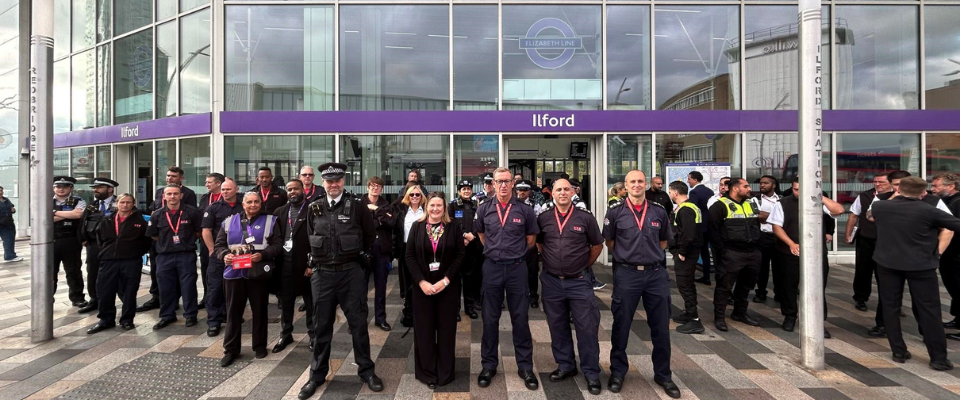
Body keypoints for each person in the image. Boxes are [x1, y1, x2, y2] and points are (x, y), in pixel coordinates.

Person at [300, 162, 383, 398]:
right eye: (329, 181)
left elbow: (368, 237)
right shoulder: (314, 207)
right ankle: (316, 375)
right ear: (323, 183)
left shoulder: (357, 207)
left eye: (337, 180)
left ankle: (366, 371)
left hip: (350, 273)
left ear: (343, 181)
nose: (333, 185)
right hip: (323, 274)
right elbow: (309, 237)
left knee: (358, 324)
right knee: (320, 326)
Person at [602, 170, 679, 398]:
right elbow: (610, 241)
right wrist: (630, 257)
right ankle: (618, 372)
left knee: (660, 327)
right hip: (627, 274)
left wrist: (649, 257)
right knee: (621, 324)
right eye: (632, 181)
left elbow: (663, 241)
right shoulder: (615, 212)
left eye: (640, 181)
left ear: (646, 185)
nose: (636, 185)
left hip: (655, 275)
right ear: (625, 185)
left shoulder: (658, 211)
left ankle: (663, 374)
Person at [872, 176, 960, 371]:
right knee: (929, 310)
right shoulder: (930, 211)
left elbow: (871, 216)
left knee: (890, 306)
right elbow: (955, 225)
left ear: (899, 189)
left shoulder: (881, 207)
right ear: (923, 193)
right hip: (921, 266)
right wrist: (937, 251)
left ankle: (898, 351)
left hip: (887, 264)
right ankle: (938, 358)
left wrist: (895, 197)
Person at [475, 167, 540, 391]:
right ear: (493, 183)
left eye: (506, 181)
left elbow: (531, 239)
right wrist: (496, 251)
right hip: (492, 268)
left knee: (520, 318)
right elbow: (482, 235)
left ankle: (525, 367)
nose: (503, 185)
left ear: (513, 183)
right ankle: (489, 365)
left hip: (516, 269)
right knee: (490, 318)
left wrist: (514, 252)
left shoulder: (525, 210)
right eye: (498, 181)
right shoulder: (484, 209)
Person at [537, 179, 604, 395]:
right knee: (557, 326)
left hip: (579, 282)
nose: (563, 192)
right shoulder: (544, 218)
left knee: (587, 328)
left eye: (567, 189)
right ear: (552, 193)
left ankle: (592, 373)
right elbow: (539, 243)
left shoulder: (585, 217)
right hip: (552, 281)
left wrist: (584, 265)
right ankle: (565, 366)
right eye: (559, 189)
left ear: (573, 192)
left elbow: (597, 245)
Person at [767, 178, 844, 336]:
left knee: (817, 287)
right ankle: (789, 317)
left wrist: (820, 197)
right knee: (789, 286)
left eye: (802, 189)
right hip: (790, 252)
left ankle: (818, 322)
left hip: (816, 253)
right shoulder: (783, 203)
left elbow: (839, 210)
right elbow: (776, 226)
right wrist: (791, 243)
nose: (799, 193)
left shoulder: (819, 201)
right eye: (796, 189)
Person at [215, 192, 284, 366]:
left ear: (261, 203)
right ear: (243, 203)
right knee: (233, 313)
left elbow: (277, 245)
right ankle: (230, 350)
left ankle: (260, 346)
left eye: (256, 202)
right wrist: (224, 255)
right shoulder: (229, 222)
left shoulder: (271, 221)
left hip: (257, 274)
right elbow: (219, 246)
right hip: (233, 274)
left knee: (260, 311)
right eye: (249, 202)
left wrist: (262, 255)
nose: (253, 205)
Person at [406, 192, 465, 388]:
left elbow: (459, 255)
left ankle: (445, 372)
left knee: (447, 330)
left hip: (447, 287)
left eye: (439, 205)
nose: (435, 209)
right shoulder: (417, 227)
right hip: (422, 288)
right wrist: (422, 282)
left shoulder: (453, 227)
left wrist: (446, 280)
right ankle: (427, 372)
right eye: (432, 205)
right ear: (427, 206)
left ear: (444, 208)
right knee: (424, 330)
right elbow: (410, 256)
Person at [86, 193, 151, 334]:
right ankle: (105, 320)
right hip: (108, 260)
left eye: (128, 202)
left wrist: (135, 252)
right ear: (117, 203)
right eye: (122, 202)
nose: (125, 205)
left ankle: (127, 320)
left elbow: (146, 241)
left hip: (131, 261)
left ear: (133, 204)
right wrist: (106, 252)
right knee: (104, 291)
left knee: (129, 291)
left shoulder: (140, 222)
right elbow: (100, 238)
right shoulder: (107, 219)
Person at [139, 166, 197, 312]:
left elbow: (196, 229)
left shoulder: (188, 194)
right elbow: (153, 229)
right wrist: (164, 240)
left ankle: (189, 313)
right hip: (163, 247)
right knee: (161, 278)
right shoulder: (160, 192)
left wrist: (184, 238)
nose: (169, 178)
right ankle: (162, 306)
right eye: (168, 175)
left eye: (173, 176)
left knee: (186, 282)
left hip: (184, 248)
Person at [709, 178, 763, 332]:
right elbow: (713, 232)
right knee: (724, 287)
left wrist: (758, 249)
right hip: (731, 253)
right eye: (745, 186)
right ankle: (719, 317)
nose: (749, 189)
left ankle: (739, 313)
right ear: (735, 189)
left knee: (746, 286)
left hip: (752, 252)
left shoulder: (750, 204)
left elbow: (756, 226)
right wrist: (723, 252)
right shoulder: (719, 206)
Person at [147, 184, 203, 330]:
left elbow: (198, 232)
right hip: (165, 256)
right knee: (165, 287)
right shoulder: (157, 214)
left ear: (181, 195)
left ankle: (191, 315)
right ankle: (167, 315)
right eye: (169, 194)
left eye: (175, 194)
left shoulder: (192, 212)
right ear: (164, 196)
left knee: (188, 286)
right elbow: (153, 235)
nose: (172, 196)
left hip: (186, 255)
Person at [272, 179, 316, 353]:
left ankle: (313, 335)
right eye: (289, 189)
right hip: (285, 264)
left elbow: (317, 238)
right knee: (286, 302)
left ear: (302, 189)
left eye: (295, 189)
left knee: (310, 303)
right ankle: (286, 334)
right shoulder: (280, 211)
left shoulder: (313, 209)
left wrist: (313, 263)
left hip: (306, 264)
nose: (292, 192)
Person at [201, 178, 244, 337]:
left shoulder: (243, 206)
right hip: (219, 254)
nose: (225, 192)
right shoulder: (213, 208)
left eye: (228, 189)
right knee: (215, 287)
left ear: (236, 190)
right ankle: (213, 321)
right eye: (224, 190)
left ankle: (229, 315)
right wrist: (212, 250)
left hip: (239, 254)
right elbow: (206, 230)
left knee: (235, 287)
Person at [846, 174, 892, 313]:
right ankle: (860, 298)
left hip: (888, 241)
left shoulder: (896, 197)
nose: (878, 184)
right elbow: (853, 215)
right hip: (866, 239)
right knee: (863, 270)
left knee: (887, 272)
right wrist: (848, 234)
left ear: (890, 183)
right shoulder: (864, 196)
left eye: (881, 182)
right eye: (875, 181)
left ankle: (891, 301)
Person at [667, 180, 704, 335]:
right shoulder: (689, 207)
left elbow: (688, 234)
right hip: (689, 252)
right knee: (688, 284)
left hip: (686, 254)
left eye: (670, 191)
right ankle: (689, 314)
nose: (669, 194)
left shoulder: (686, 209)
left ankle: (694, 320)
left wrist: (682, 252)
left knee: (685, 285)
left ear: (675, 192)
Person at [78, 178, 118, 314]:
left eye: (99, 187)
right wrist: (84, 239)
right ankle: (94, 299)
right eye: (95, 188)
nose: (95, 190)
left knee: (117, 273)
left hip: (113, 245)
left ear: (110, 189)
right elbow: (82, 223)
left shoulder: (120, 203)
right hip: (94, 244)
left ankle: (122, 300)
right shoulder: (92, 206)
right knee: (93, 272)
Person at [361, 176, 396, 331]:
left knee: (381, 287)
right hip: (363, 250)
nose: (375, 189)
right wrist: (378, 222)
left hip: (382, 250)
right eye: (372, 186)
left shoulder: (386, 205)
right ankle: (359, 319)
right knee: (360, 288)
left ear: (381, 189)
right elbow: (357, 224)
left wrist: (377, 211)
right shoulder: (359, 203)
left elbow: (392, 223)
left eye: (378, 186)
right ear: (368, 187)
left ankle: (380, 319)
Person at [931, 173, 960, 340]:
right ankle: (957, 319)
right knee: (954, 287)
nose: (933, 189)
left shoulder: (957, 203)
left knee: (958, 286)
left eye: (936, 186)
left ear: (950, 186)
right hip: (950, 253)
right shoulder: (948, 201)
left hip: (956, 253)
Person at [52, 176, 88, 307]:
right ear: (53, 188)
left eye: (65, 187)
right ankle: (48, 297)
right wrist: (68, 214)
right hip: (52, 240)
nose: (61, 189)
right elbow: (44, 218)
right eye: (58, 186)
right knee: (50, 271)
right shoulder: (46, 200)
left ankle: (77, 298)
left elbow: (78, 215)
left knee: (73, 270)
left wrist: (55, 213)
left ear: (71, 188)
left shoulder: (78, 200)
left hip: (71, 240)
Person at [449, 180, 482, 320]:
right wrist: (463, 235)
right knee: (456, 279)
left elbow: (480, 223)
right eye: (463, 189)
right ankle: (455, 310)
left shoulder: (477, 205)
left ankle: (469, 307)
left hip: (473, 246)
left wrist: (472, 236)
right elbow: (450, 223)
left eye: (469, 189)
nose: (466, 191)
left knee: (470, 279)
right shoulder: (453, 205)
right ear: (459, 191)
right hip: (457, 246)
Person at [394, 184, 426, 328]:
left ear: (422, 197)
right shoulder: (402, 210)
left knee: (421, 280)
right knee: (406, 283)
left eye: (417, 194)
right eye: (411, 194)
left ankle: (422, 313)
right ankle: (408, 313)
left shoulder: (426, 211)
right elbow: (396, 230)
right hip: (406, 249)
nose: (414, 197)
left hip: (422, 250)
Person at [198, 172, 225, 309]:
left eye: (209, 182)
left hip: (222, 241)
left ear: (218, 183)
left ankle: (223, 299)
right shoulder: (205, 198)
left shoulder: (226, 199)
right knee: (206, 269)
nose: (206, 184)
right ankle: (207, 296)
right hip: (206, 240)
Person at [753, 175, 781, 303]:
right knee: (761, 267)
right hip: (762, 236)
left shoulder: (781, 199)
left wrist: (766, 216)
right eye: (761, 183)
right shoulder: (755, 199)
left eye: (765, 183)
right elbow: (757, 215)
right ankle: (760, 292)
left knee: (779, 267)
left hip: (778, 236)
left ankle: (779, 293)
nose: (762, 185)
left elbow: (787, 217)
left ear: (773, 185)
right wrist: (776, 217)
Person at [517, 180, 543, 308]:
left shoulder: (535, 206)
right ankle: (520, 296)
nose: (522, 192)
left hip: (530, 244)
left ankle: (533, 296)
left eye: (525, 190)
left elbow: (539, 225)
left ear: (530, 191)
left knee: (532, 272)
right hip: (515, 244)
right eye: (520, 190)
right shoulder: (512, 205)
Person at [687, 171, 714, 285]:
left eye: (689, 179)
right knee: (706, 253)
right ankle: (707, 276)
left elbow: (693, 210)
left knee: (695, 251)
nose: (688, 181)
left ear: (695, 180)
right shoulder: (710, 191)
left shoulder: (694, 192)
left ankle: (691, 275)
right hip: (710, 226)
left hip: (700, 227)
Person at [0, 186, 21, 262]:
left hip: (8, 223)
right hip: (1, 223)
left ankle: (9, 256)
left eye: (1, 190)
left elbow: (12, 208)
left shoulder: (6, 199)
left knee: (9, 240)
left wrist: (13, 210)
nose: (0, 192)